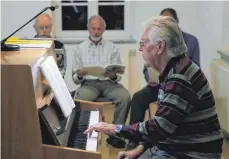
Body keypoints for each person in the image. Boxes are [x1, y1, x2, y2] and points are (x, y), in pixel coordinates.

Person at [84, 16, 223, 159]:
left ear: (160, 46)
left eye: (143, 43)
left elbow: (158, 128)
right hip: (175, 147)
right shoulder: (174, 69)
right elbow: (164, 125)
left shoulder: (180, 79)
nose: (140, 48)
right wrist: (138, 150)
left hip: (192, 154)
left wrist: (115, 128)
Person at [126, 8, 200, 149]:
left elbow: (196, 67)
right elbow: (146, 68)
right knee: (137, 97)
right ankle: (133, 140)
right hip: (158, 86)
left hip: (181, 88)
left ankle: (159, 141)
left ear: (176, 23)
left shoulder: (191, 41)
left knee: (170, 106)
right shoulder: (154, 40)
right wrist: (151, 78)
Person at [72, 15, 131, 148]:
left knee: (125, 97)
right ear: (88, 28)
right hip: (89, 84)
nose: (96, 31)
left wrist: (113, 76)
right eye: (93, 28)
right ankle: (81, 135)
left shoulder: (112, 48)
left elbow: (118, 76)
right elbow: (75, 80)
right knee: (80, 99)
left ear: (104, 30)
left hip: (109, 83)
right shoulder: (79, 49)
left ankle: (115, 135)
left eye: (99, 29)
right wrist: (80, 75)